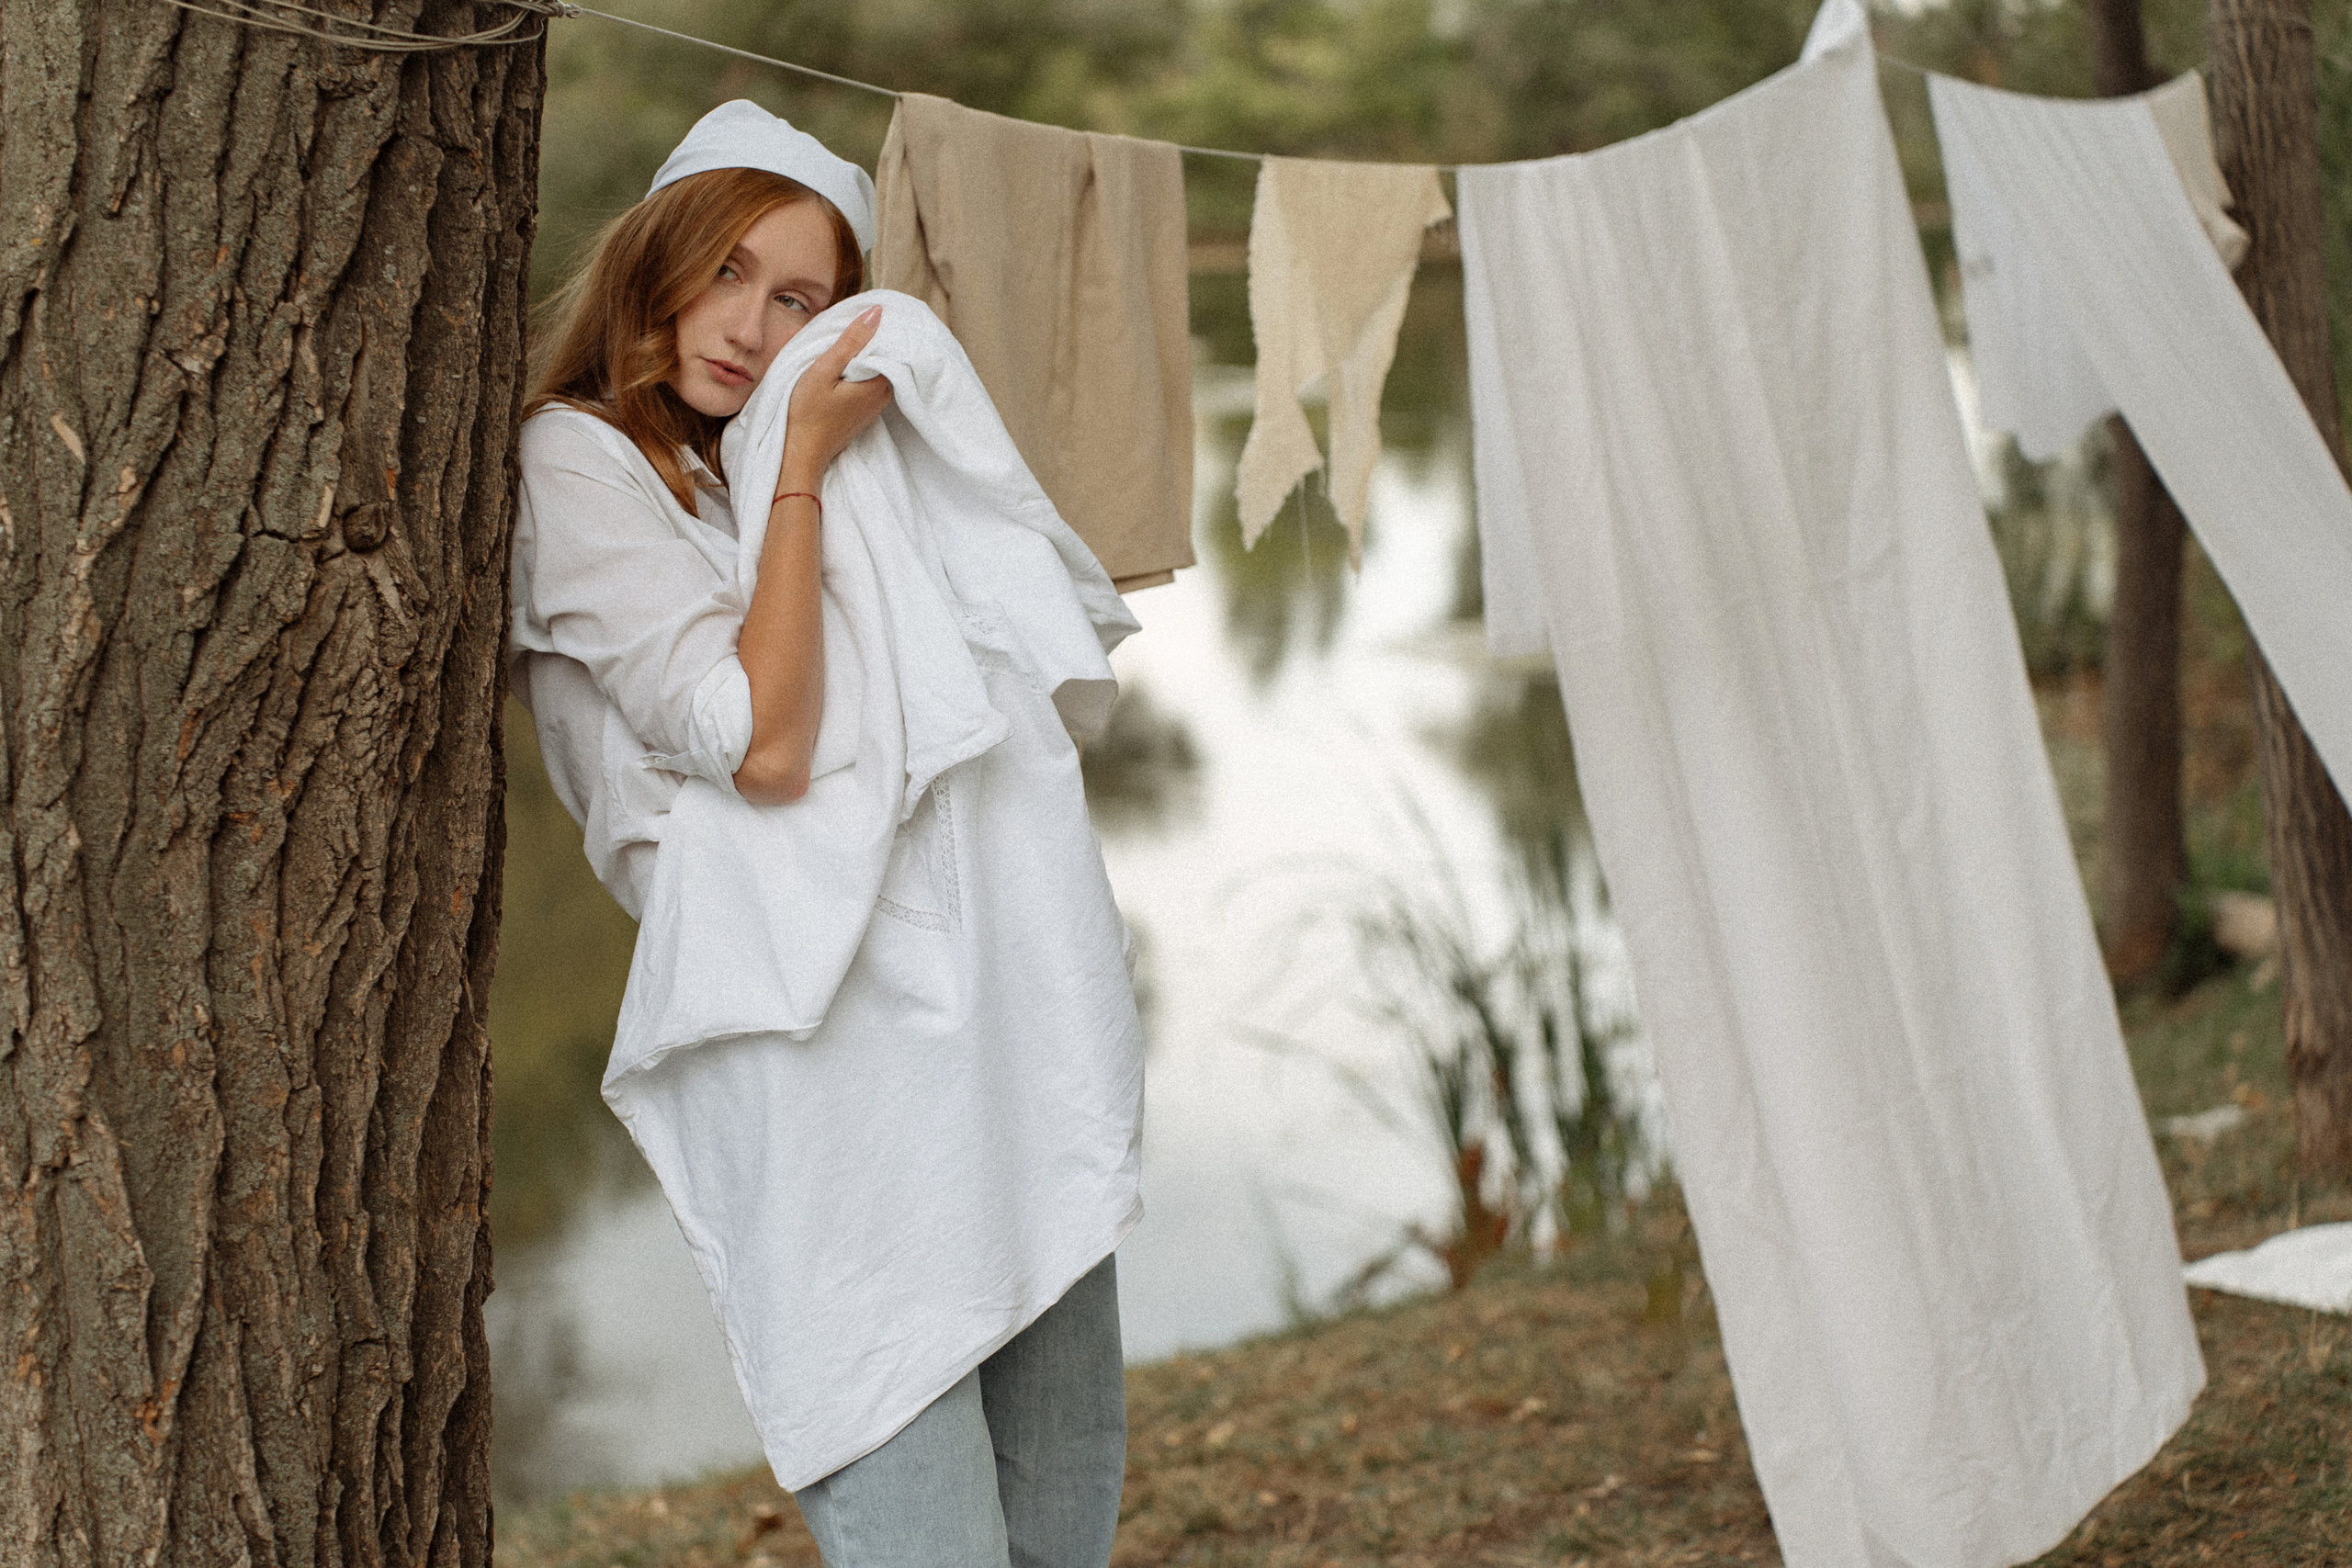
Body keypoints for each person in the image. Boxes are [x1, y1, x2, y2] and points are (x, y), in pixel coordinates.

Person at [508, 101, 1146, 1568]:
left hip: (969, 1026)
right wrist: (799, 464)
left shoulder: (830, 480)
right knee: (922, 1520)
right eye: (726, 271)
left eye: (799, 299)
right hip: (812, 1068)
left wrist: (808, 470)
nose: (750, 326)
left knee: (1060, 1508)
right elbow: (767, 741)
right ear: (652, 265)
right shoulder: (582, 462)